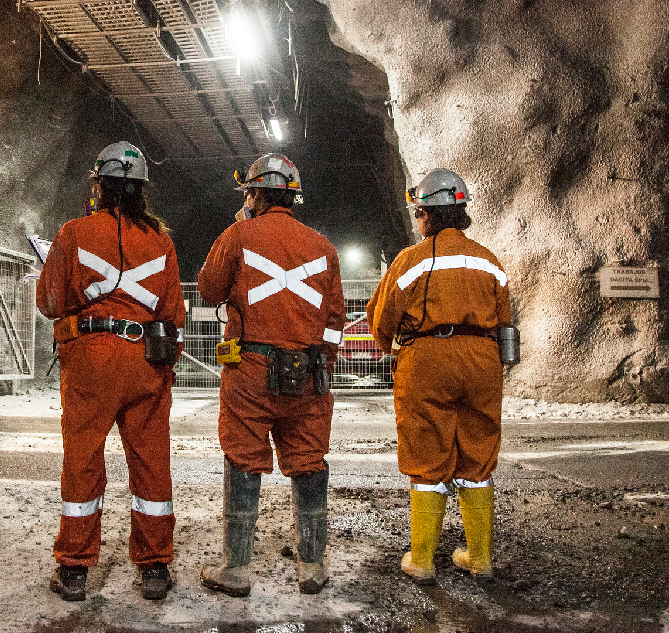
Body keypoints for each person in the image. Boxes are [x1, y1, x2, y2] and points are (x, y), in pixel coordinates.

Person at [36, 141, 186, 602]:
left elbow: (49, 302)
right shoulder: (160, 240)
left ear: (99, 187)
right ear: (141, 191)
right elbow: (173, 312)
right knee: (150, 461)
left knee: (83, 457)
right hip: (145, 360)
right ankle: (155, 567)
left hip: (91, 359)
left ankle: (75, 569)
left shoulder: (74, 233)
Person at [197, 153, 345, 596]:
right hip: (309, 371)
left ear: (256, 193)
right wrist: (324, 367)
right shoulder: (323, 247)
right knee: (308, 460)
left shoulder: (239, 234)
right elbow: (335, 319)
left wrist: (241, 225)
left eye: (248, 192)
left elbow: (208, 289)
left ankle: (236, 569)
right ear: (292, 195)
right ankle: (312, 565)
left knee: (244, 457)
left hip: (251, 370)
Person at [366, 168, 511, 584]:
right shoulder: (489, 261)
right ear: (461, 212)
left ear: (426, 215)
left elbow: (382, 321)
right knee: (477, 456)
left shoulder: (410, 261)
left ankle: (424, 559)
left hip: (428, 359)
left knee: (428, 458)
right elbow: (505, 321)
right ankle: (479, 557)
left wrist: (395, 351)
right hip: (482, 359)